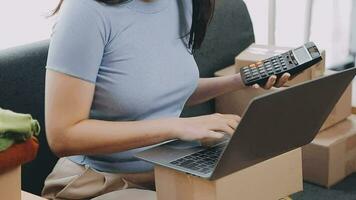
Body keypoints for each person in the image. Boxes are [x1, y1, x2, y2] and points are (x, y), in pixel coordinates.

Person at [42, 0, 292, 199]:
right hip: (98, 181)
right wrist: (176, 126)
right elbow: (63, 135)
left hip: (166, 171)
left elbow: (162, 92)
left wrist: (238, 81)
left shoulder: (182, 4)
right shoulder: (86, 11)